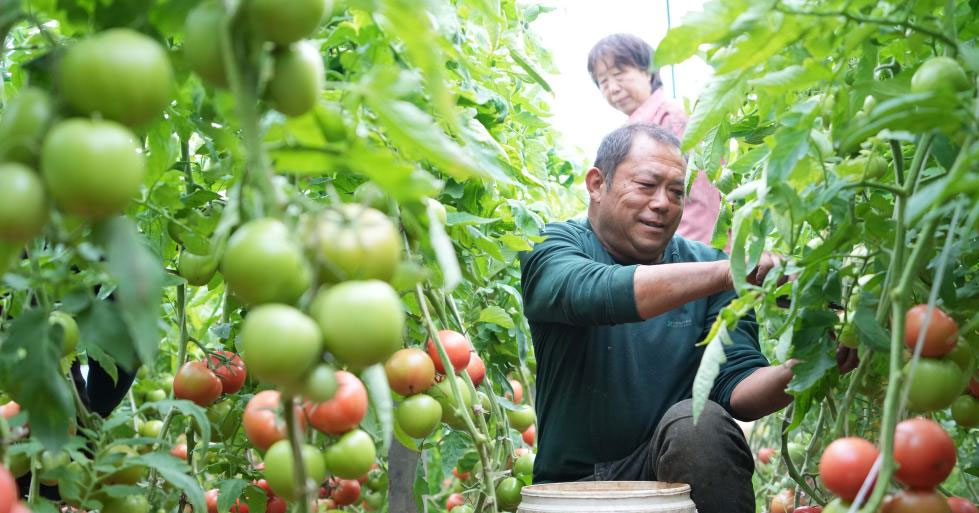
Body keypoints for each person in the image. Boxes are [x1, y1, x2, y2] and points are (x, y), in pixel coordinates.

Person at [519, 124, 856, 513]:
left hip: (673, 486)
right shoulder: (553, 247)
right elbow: (593, 292)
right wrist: (732, 272)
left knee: (700, 422)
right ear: (597, 184)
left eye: (677, 192)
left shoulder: (710, 267)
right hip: (575, 492)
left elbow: (737, 388)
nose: (663, 203)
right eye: (646, 185)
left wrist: (808, 367)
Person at [587, 33, 721, 245]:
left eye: (619, 74)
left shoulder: (672, 119)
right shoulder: (632, 131)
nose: (613, 88)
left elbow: (700, 197)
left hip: (691, 248)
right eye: (603, 81)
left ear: (647, 71)